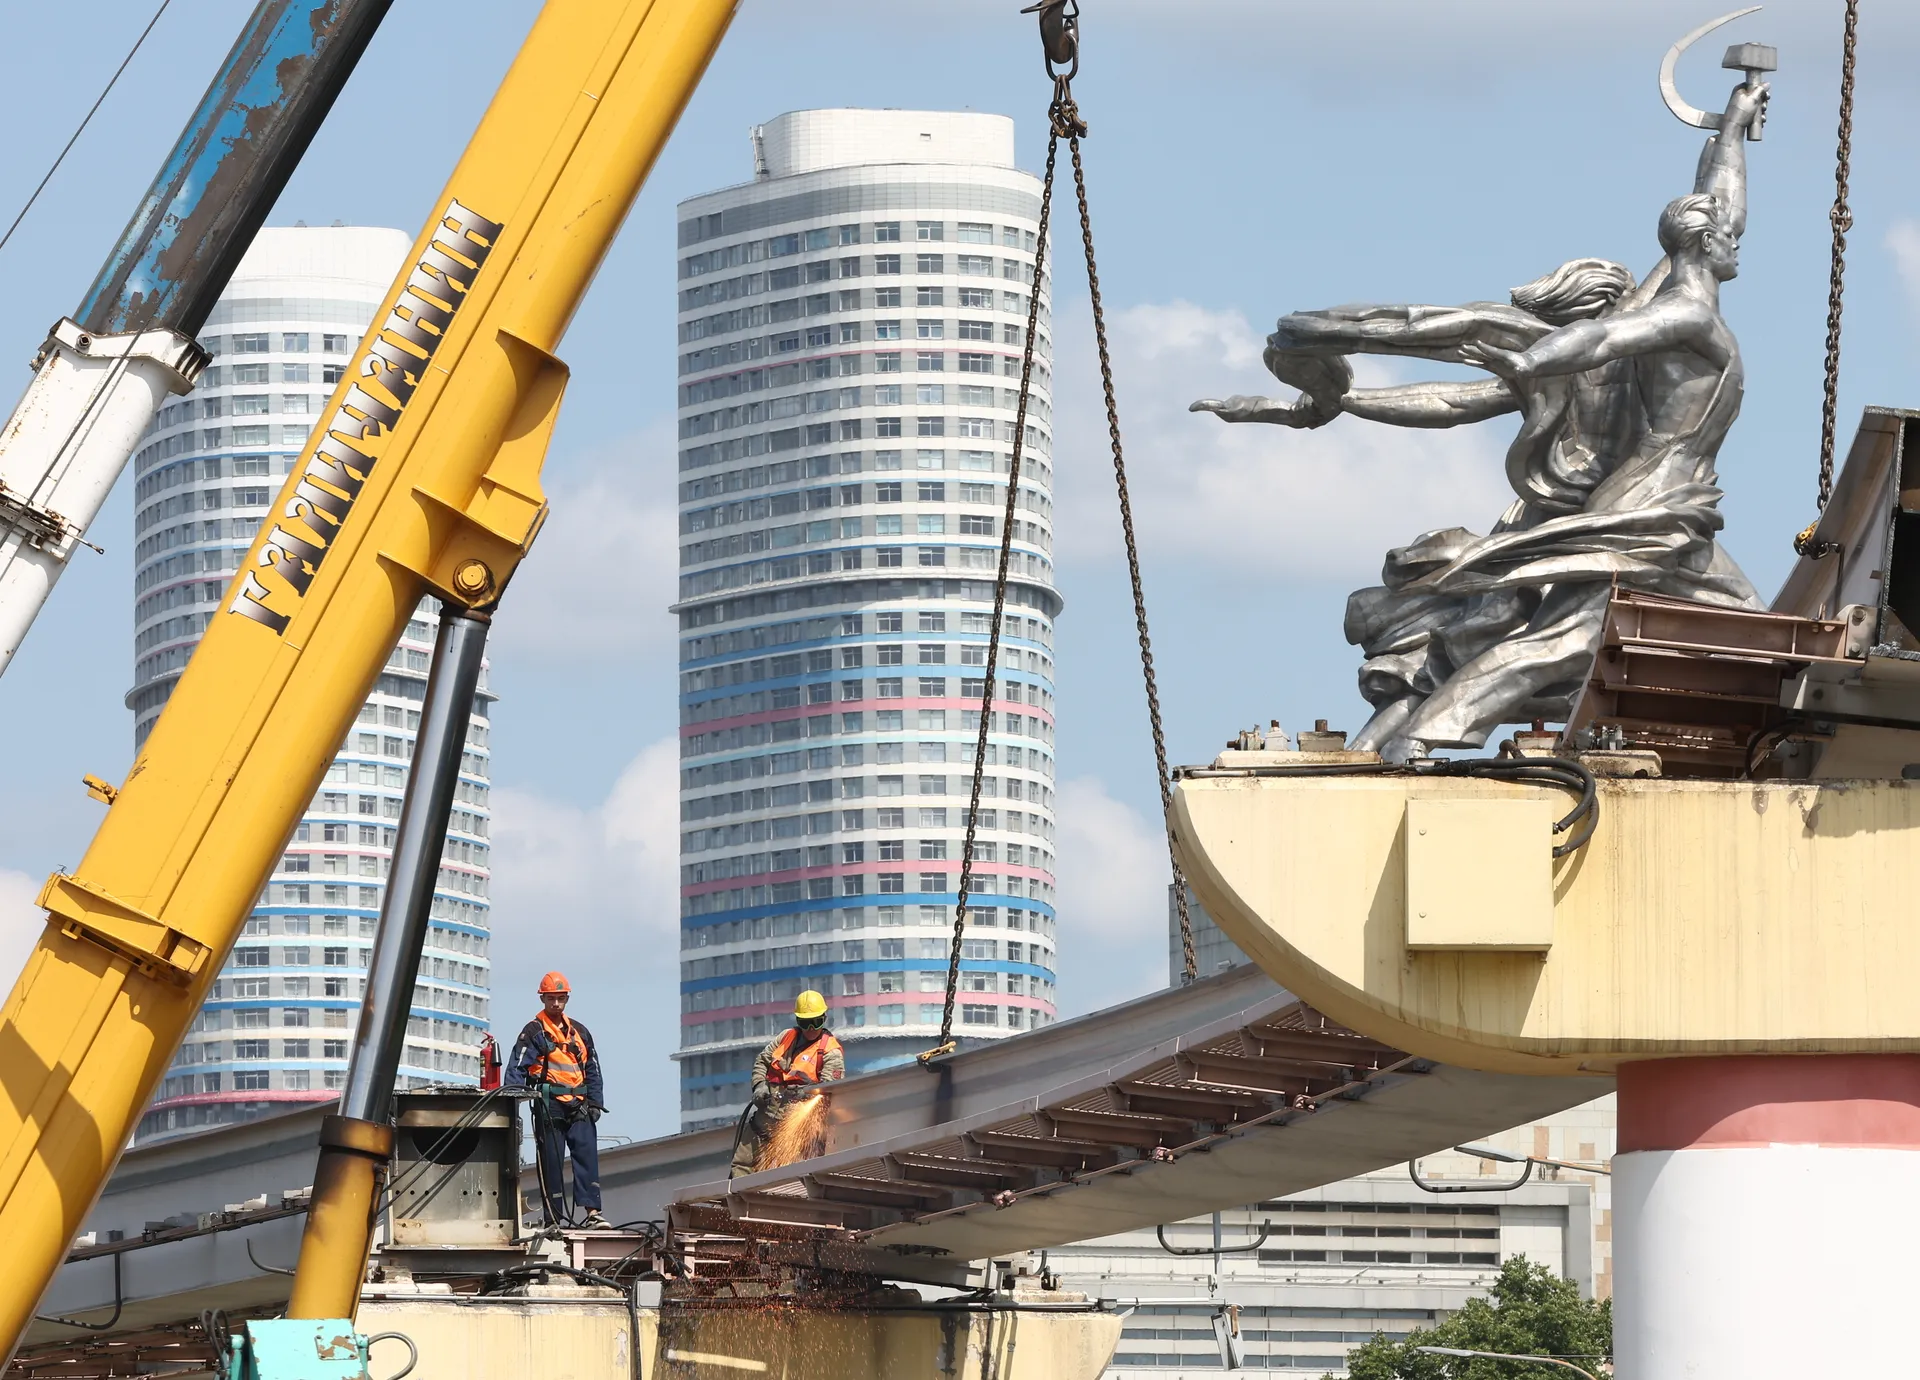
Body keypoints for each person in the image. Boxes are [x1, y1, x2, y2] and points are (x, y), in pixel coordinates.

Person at [506, 971, 609, 1229]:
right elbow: (517, 1067)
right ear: (543, 998)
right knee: (551, 1161)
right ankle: (554, 1218)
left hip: (579, 1104)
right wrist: (510, 1100)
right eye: (551, 998)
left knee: (586, 1157)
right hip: (549, 1103)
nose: (556, 1003)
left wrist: (595, 1102)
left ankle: (592, 1212)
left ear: (566, 999)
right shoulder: (534, 1031)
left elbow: (593, 1069)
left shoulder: (580, 1032)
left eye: (560, 998)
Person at [729, 990, 845, 1178]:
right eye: (805, 1023)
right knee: (744, 1164)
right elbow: (762, 1061)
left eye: (816, 1022)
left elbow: (830, 1091)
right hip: (767, 1115)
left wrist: (806, 1093)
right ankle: (740, 1202)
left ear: (824, 1018)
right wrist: (759, 1086)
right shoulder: (786, 1037)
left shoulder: (831, 1052)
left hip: (801, 1124)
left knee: (796, 1172)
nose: (811, 1029)